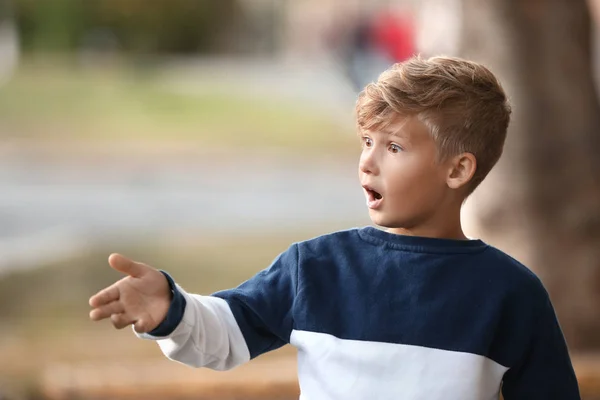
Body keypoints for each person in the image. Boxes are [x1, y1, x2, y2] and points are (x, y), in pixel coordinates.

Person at [89, 55, 581, 399]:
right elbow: (223, 336)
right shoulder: (316, 267)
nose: (367, 162)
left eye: (393, 147)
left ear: (458, 170)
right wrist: (170, 309)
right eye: (366, 140)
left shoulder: (512, 293)